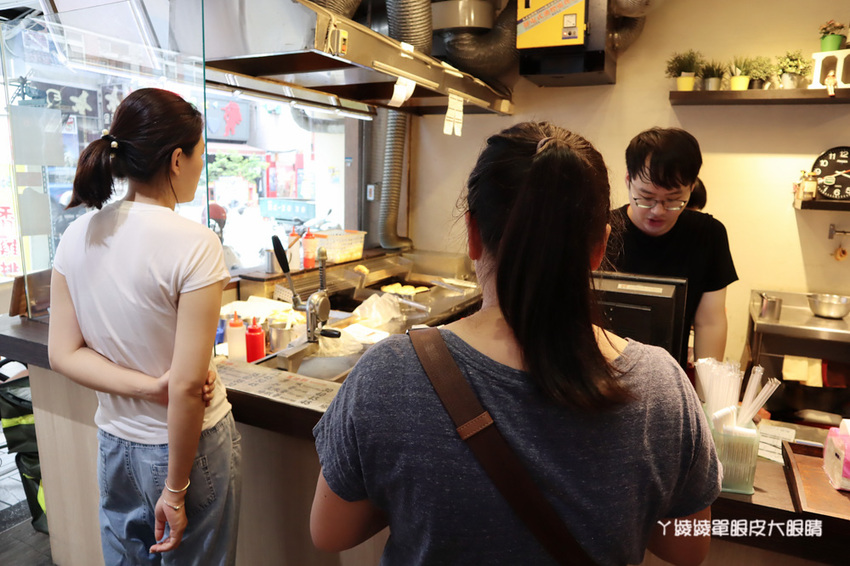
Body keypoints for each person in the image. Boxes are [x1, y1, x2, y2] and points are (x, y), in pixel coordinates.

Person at [310, 122, 720, 565]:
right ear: (600, 247)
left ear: (472, 233)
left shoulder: (388, 375)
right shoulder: (662, 387)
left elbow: (331, 532)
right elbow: (688, 547)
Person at [48, 88, 241, 564]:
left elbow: (63, 354)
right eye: (200, 154)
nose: (201, 165)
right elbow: (188, 385)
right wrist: (174, 490)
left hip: (115, 446)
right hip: (187, 453)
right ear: (177, 159)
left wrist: (151, 388)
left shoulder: (77, 235)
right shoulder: (196, 244)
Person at [607, 128, 737, 364]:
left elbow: (709, 322)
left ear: (692, 187)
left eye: (673, 200)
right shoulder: (602, 230)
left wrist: (708, 386)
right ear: (628, 180)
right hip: (603, 371)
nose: (658, 210)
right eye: (646, 197)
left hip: (670, 373)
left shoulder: (708, 235)